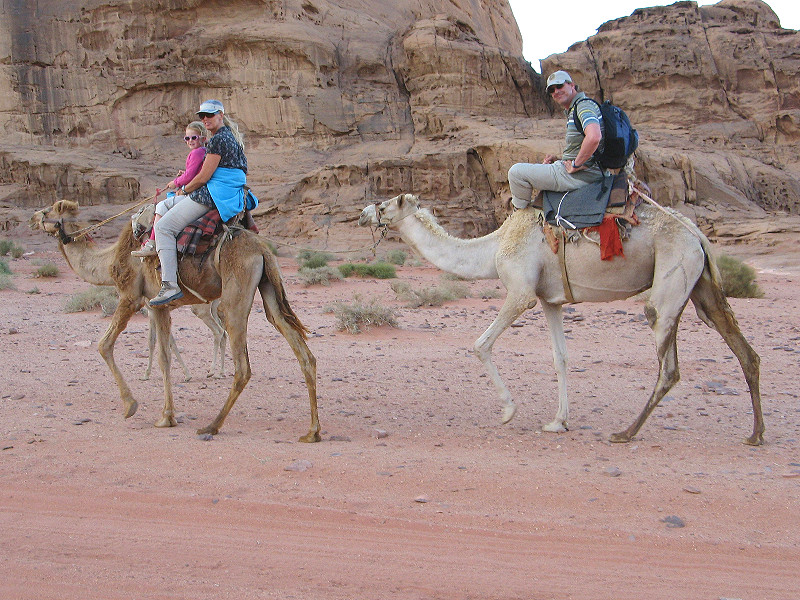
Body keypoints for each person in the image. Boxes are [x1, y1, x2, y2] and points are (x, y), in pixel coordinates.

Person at [148, 99, 251, 307]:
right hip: (225, 193)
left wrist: (184, 189)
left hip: (211, 195)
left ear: (221, 115)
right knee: (165, 206)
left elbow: (203, 178)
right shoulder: (231, 138)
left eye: (210, 115)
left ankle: (170, 284)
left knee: (164, 227)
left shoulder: (217, 140)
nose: (205, 119)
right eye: (202, 116)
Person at [508, 70, 606, 210]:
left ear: (572, 85)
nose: (556, 92)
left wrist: (576, 165)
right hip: (588, 170)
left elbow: (594, 137)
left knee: (516, 173)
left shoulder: (583, 106)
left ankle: (520, 220)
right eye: (552, 90)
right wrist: (561, 159)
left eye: (559, 86)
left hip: (581, 175)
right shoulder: (576, 108)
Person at [132, 121, 208, 257]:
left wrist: (176, 182)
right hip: (198, 191)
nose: (190, 141)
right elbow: (193, 173)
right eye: (187, 138)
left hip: (195, 194)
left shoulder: (197, 153)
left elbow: (190, 176)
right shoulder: (203, 152)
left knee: (161, 207)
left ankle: (153, 243)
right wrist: (183, 175)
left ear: (203, 138)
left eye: (193, 137)